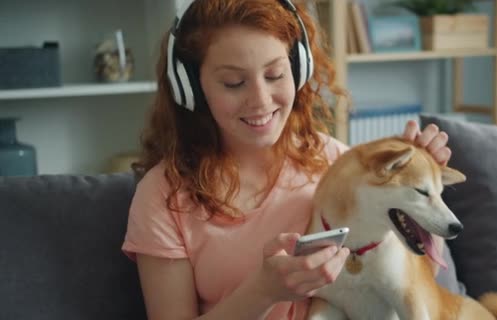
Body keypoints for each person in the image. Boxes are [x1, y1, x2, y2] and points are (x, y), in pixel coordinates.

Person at [121, 0, 453, 319]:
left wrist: (423, 185)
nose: (260, 100)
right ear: (191, 87)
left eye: (275, 74)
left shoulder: (338, 166)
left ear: (298, 68)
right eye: (233, 83)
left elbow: (417, 280)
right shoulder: (163, 196)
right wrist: (264, 292)